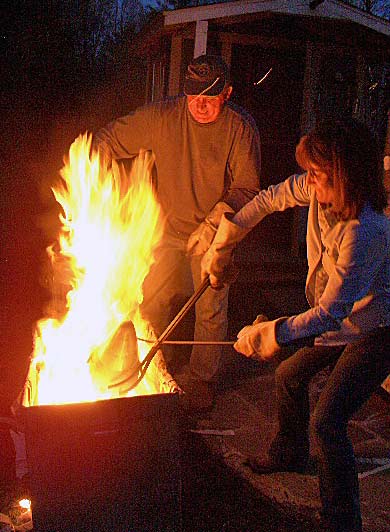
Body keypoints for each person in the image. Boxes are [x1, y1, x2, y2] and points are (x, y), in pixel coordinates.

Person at [201, 118, 390, 532]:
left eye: (317, 174)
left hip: (374, 334)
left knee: (328, 421)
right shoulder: (319, 192)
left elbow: (329, 316)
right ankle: (289, 451)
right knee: (288, 375)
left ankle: (342, 520)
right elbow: (269, 199)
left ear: (343, 177)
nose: (307, 182)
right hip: (338, 320)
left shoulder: (366, 231)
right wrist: (226, 240)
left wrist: (272, 332)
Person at [93, 54, 261, 410]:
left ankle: (201, 382)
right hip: (166, 228)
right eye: (192, 95)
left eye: (209, 96)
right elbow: (106, 141)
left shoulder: (240, 128)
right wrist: (94, 175)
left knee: (210, 307)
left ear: (227, 93)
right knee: (151, 299)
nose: (198, 104)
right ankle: (153, 365)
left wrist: (216, 220)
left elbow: (248, 188)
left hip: (213, 232)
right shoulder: (162, 117)